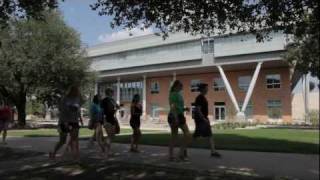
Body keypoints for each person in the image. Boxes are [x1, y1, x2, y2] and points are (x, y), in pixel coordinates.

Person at [49, 86, 83, 160]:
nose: (77, 92)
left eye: (77, 91)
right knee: (62, 140)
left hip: (74, 122)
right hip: (64, 121)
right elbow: (62, 111)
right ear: (71, 91)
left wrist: (80, 119)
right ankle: (53, 152)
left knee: (74, 139)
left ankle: (75, 156)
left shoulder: (78, 99)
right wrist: (65, 122)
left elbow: (78, 110)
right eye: (76, 91)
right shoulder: (65, 99)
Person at [193, 83, 221, 157]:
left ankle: (213, 152)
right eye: (206, 88)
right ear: (203, 89)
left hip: (203, 118)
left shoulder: (202, 97)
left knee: (207, 135)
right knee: (202, 135)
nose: (207, 89)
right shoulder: (199, 98)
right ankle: (213, 152)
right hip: (201, 119)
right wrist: (204, 119)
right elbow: (198, 109)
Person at [168, 80, 191, 161]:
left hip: (179, 115)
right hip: (175, 116)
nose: (182, 87)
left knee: (176, 136)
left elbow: (178, 107)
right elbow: (173, 107)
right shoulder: (173, 94)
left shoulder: (178, 94)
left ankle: (176, 154)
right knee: (187, 134)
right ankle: (180, 154)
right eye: (181, 86)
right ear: (176, 86)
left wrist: (184, 109)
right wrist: (176, 118)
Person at [101, 88, 120, 156]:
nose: (113, 93)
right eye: (112, 92)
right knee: (109, 135)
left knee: (112, 136)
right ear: (109, 93)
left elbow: (116, 109)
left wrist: (117, 108)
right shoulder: (104, 101)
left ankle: (103, 144)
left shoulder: (112, 100)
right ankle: (108, 152)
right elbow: (102, 111)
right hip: (106, 119)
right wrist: (103, 120)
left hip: (112, 119)